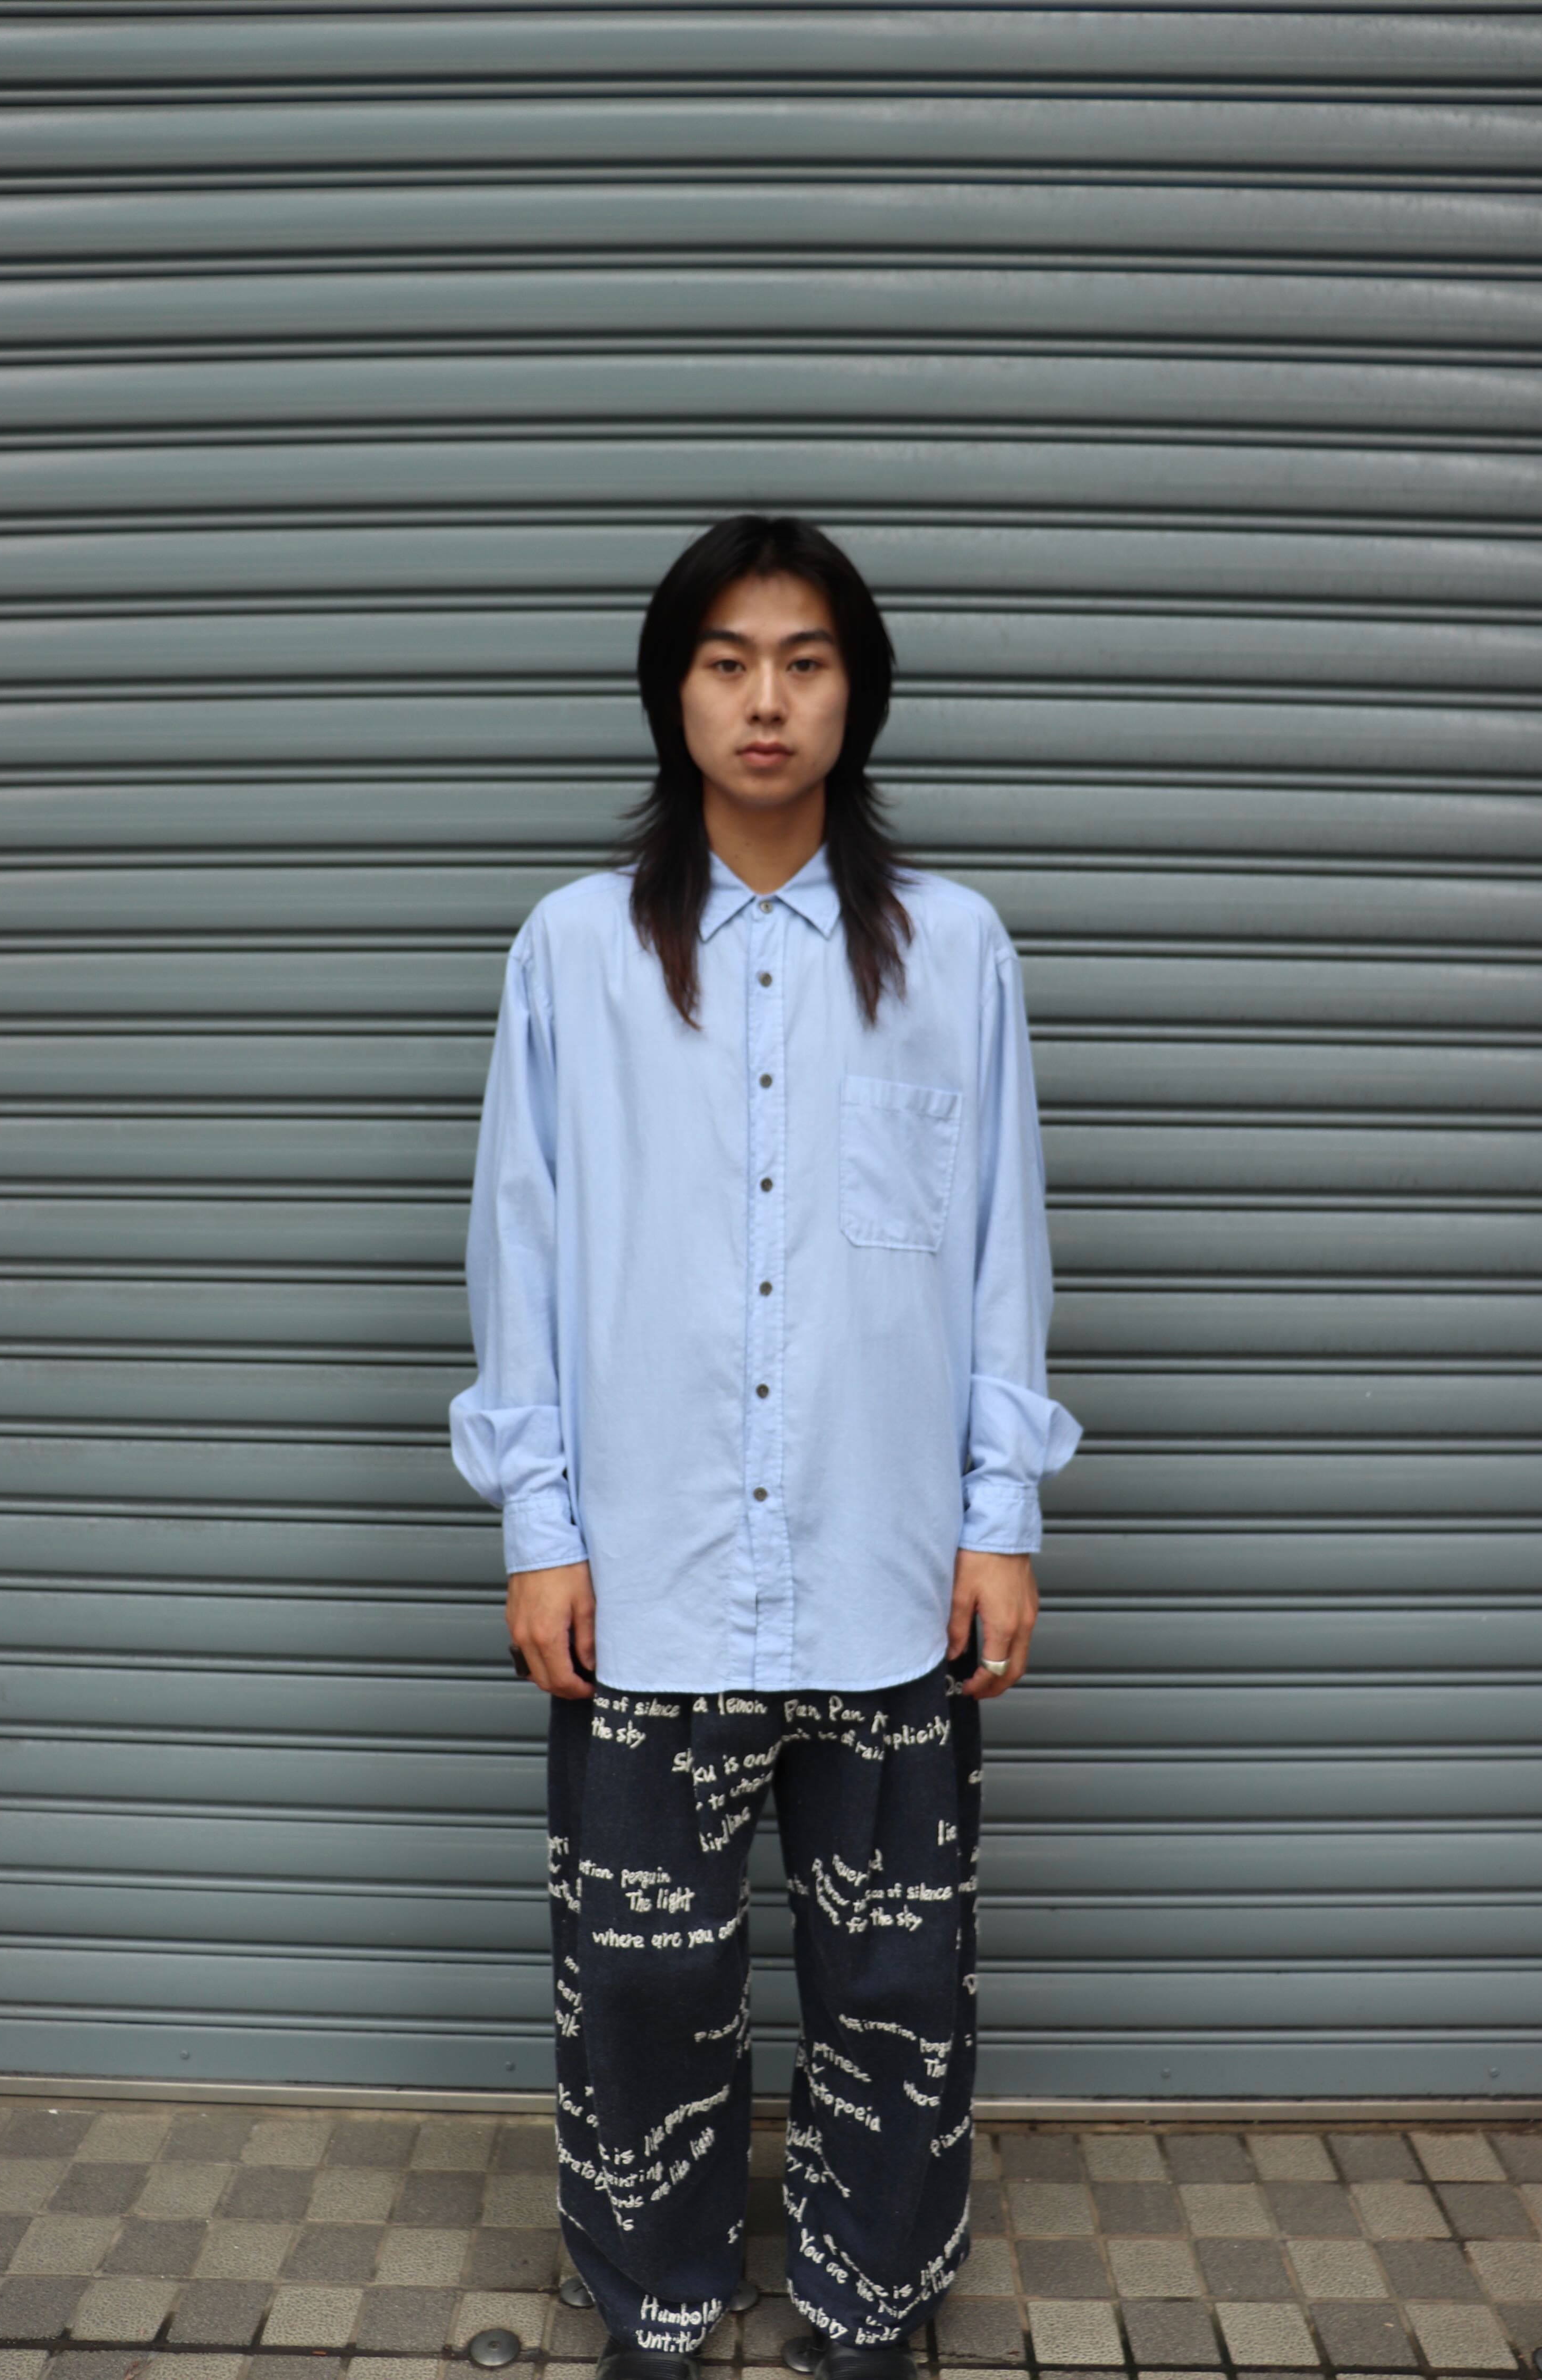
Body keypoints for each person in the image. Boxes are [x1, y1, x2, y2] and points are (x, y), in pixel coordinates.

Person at [450, 516, 1081, 2380]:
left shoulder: (953, 951)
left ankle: (868, 2297)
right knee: (642, 1976)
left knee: (898, 1977)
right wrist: (540, 1527)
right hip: (645, 1576)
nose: (766, 699)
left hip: (889, 1570)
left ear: (855, 694)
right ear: (674, 692)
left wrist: (1001, 1517)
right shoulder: (577, 953)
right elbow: (520, 1248)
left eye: (805, 660)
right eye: (727, 660)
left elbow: (1000, 1250)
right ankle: (655, 2297)